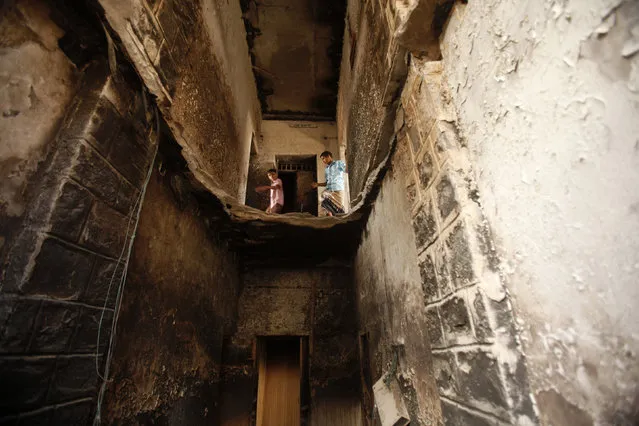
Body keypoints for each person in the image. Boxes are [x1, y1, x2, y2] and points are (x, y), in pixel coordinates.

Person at [311, 151, 347, 216]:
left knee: (339, 209)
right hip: (329, 191)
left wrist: (346, 158)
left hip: (338, 190)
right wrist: (317, 184)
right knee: (322, 198)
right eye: (322, 159)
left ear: (328, 156)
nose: (323, 161)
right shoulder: (327, 169)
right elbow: (327, 183)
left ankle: (341, 218)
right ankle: (329, 215)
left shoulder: (338, 163)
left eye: (323, 158)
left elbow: (346, 169)